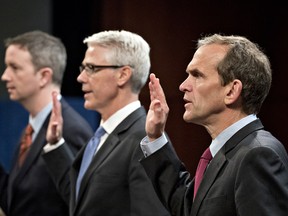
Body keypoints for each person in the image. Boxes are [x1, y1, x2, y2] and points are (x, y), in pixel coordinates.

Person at [140, 34, 288, 216]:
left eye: (197, 75)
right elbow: (188, 208)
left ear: (232, 91)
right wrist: (155, 137)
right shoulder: (229, 151)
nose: (183, 85)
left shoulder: (257, 155)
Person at [42, 30, 170, 216]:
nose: (81, 78)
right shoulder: (104, 134)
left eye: (91, 68)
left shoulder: (145, 140)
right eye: (83, 68)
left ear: (123, 75)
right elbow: (83, 201)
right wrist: (55, 145)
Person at [0, 30, 94, 216]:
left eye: (15, 67)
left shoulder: (70, 130)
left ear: (44, 76)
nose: (5, 76)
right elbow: (18, 202)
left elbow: (81, 204)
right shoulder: (31, 129)